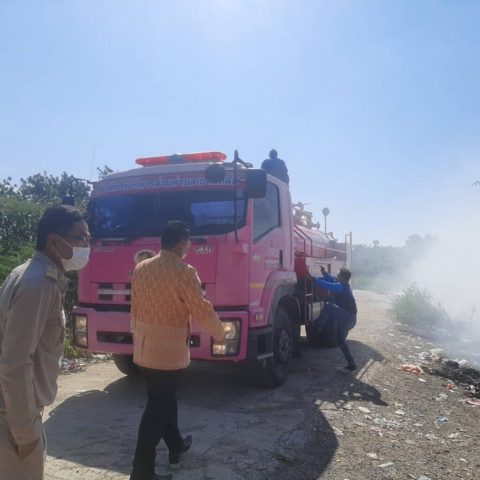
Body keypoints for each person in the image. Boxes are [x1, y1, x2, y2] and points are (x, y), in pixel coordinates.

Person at [0, 204, 90, 480]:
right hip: (12, 416)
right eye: (81, 238)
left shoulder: (28, 273)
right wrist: (24, 433)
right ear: (54, 241)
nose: (87, 246)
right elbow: (15, 362)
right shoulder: (40, 284)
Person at [130, 221, 225, 480]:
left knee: (164, 399)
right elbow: (200, 307)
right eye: (189, 243)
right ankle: (142, 472)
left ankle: (176, 445)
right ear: (182, 243)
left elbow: (134, 307)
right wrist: (220, 333)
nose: (189, 247)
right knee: (156, 409)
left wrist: (137, 334)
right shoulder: (184, 271)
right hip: (167, 352)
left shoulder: (142, 267)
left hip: (144, 347)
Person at [309, 266, 358, 371]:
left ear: (343, 278)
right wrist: (324, 273)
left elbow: (328, 285)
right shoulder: (344, 286)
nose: (337, 276)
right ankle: (351, 363)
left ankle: (318, 327)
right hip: (351, 320)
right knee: (340, 341)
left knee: (328, 306)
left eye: (339, 275)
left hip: (347, 317)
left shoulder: (341, 287)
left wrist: (314, 279)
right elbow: (332, 280)